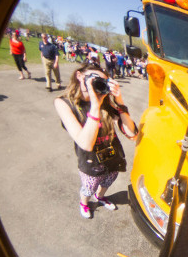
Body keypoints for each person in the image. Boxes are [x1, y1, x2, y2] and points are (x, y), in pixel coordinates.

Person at [54, 64, 138, 219]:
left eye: (102, 81)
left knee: (108, 181)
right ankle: (84, 203)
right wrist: (95, 105)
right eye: (94, 78)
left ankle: (100, 197)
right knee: (89, 187)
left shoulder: (106, 101)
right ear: (79, 76)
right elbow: (85, 143)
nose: (96, 83)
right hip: (91, 161)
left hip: (112, 156)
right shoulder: (64, 103)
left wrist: (119, 100)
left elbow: (132, 133)